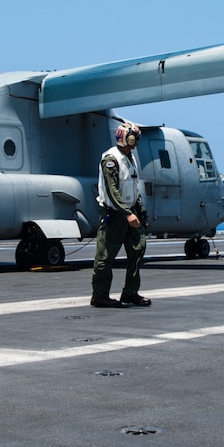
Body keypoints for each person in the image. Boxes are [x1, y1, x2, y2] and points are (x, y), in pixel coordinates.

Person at [91, 122, 151, 308]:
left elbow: (133, 188)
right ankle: (100, 296)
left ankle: (130, 292)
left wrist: (140, 210)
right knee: (105, 257)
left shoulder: (130, 158)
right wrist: (127, 213)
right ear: (128, 138)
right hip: (115, 215)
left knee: (137, 250)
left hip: (131, 213)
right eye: (135, 137)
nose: (137, 141)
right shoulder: (111, 159)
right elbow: (112, 191)